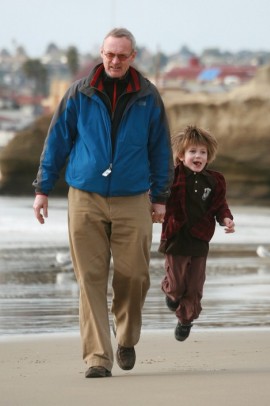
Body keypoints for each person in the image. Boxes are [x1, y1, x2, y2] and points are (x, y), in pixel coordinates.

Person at [32, 28, 173, 378]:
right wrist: (42, 188)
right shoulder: (79, 94)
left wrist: (161, 198)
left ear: (133, 57)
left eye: (122, 55)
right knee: (89, 278)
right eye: (109, 54)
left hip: (133, 199)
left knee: (135, 276)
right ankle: (97, 356)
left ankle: (125, 337)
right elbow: (57, 143)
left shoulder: (148, 96)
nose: (114, 61)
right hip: (85, 198)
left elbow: (160, 150)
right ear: (101, 53)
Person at [158, 125, 235, 342]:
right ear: (181, 156)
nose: (198, 156)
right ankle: (170, 294)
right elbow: (158, 195)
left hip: (200, 239)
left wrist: (226, 219)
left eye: (202, 152)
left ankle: (185, 319)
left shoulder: (215, 180)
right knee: (176, 285)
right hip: (176, 236)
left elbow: (221, 206)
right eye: (192, 152)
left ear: (208, 156)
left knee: (194, 286)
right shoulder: (172, 176)